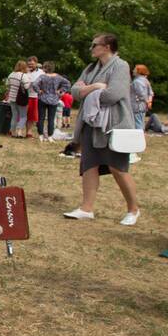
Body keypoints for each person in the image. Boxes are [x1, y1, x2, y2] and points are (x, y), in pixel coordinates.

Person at [63, 33, 140, 225]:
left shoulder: (120, 66)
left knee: (118, 168)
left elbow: (114, 94)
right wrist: (96, 87)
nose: (91, 48)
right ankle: (86, 208)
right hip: (91, 124)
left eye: (94, 45)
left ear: (107, 47)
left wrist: (87, 89)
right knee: (89, 166)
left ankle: (133, 209)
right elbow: (74, 91)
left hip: (114, 125)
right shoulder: (91, 68)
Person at [32, 62, 71, 141]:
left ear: (45, 68)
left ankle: (41, 135)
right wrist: (61, 91)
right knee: (51, 118)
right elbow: (68, 83)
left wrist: (39, 91)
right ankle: (50, 136)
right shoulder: (58, 77)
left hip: (42, 98)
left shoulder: (42, 76)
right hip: (54, 99)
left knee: (41, 118)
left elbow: (34, 84)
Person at [5, 60, 31, 138]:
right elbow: (26, 87)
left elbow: (7, 85)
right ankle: (19, 131)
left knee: (14, 115)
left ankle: (13, 132)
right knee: (23, 116)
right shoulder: (23, 75)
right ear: (24, 67)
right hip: (21, 98)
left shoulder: (11, 74)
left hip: (12, 98)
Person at [131, 64, 154, 132]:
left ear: (139, 71)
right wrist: (149, 102)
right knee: (141, 122)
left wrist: (147, 101)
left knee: (137, 123)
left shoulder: (136, 81)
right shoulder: (146, 81)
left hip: (136, 106)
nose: (133, 71)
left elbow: (141, 94)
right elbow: (151, 93)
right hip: (143, 106)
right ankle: (141, 138)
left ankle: (139, 139)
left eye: (135, 69)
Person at [26, 56, 43, 136]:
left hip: (35, 96)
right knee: (22, 115)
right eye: (29, 64)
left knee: (32, 116)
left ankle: (29, 131)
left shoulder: (41, 72)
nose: (30, 66)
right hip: (24, 96)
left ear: (36, 63)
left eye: (32, 64)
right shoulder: (24, 71)